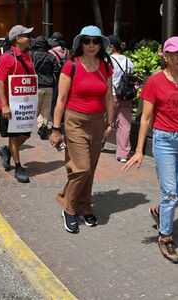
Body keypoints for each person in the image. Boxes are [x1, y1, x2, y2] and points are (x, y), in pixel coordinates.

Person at [122, 36, 178, 263]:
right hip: (165, 142)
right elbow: (146, 118)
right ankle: (165, 236)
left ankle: (160, 212)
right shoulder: (155, 82)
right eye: (177, 54)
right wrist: (139, 150)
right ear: (166, 56)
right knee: (170, 192)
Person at [50, 26, 115, 234]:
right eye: (87, 41)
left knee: (91, 169)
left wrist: (110, 123)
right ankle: (68, 207)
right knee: (81, 168)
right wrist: (55, 128)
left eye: (96, 41)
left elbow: (108, 98)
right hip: (74, 121)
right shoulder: (71, 65)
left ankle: (84, 206)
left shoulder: (105, 66)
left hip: (98, 123)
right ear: (80, 43)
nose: (92, 45)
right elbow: (60, 100)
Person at [0, 25, 35, 183]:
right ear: (18, 39)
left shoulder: (28, 56)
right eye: (27, 35)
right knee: (13, 136)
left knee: (25, 134)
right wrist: (4, 105)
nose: (30, 38)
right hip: (10, 105)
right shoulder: (7, 57)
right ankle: (18, 167)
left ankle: (7, 151)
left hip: (25, 105)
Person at [107, 35, 135, 163]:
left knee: (105, 121)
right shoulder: (129, 60)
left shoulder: (107, 60)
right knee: (124, 124)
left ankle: (98, 144)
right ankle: (123, 154)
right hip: (125, 95)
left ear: (112, 47)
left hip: (110, 95)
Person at [31, 36, 60, 140]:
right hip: (49, 86)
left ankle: (40, 126)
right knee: (46, 109)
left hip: (36, 86)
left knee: (36, 109)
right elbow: (57, 70)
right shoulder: (50, 56)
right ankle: (44, 124)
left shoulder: (31, 56)